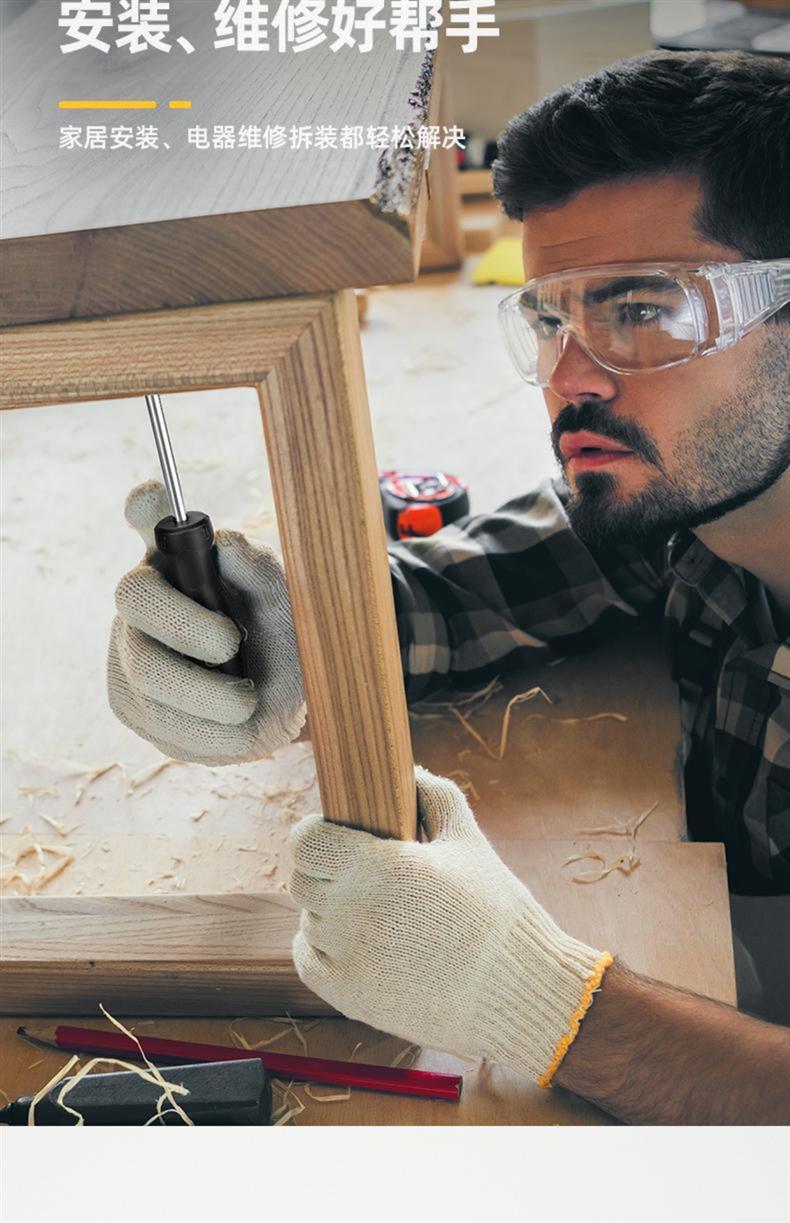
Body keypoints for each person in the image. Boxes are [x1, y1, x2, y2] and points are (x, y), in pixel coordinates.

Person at [107, 50, 790, 1124]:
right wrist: (268, 643)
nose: (569, 376)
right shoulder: (692, 512)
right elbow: (469, 585)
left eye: (643, 309)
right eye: (550, 318)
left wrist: (543, 1003)